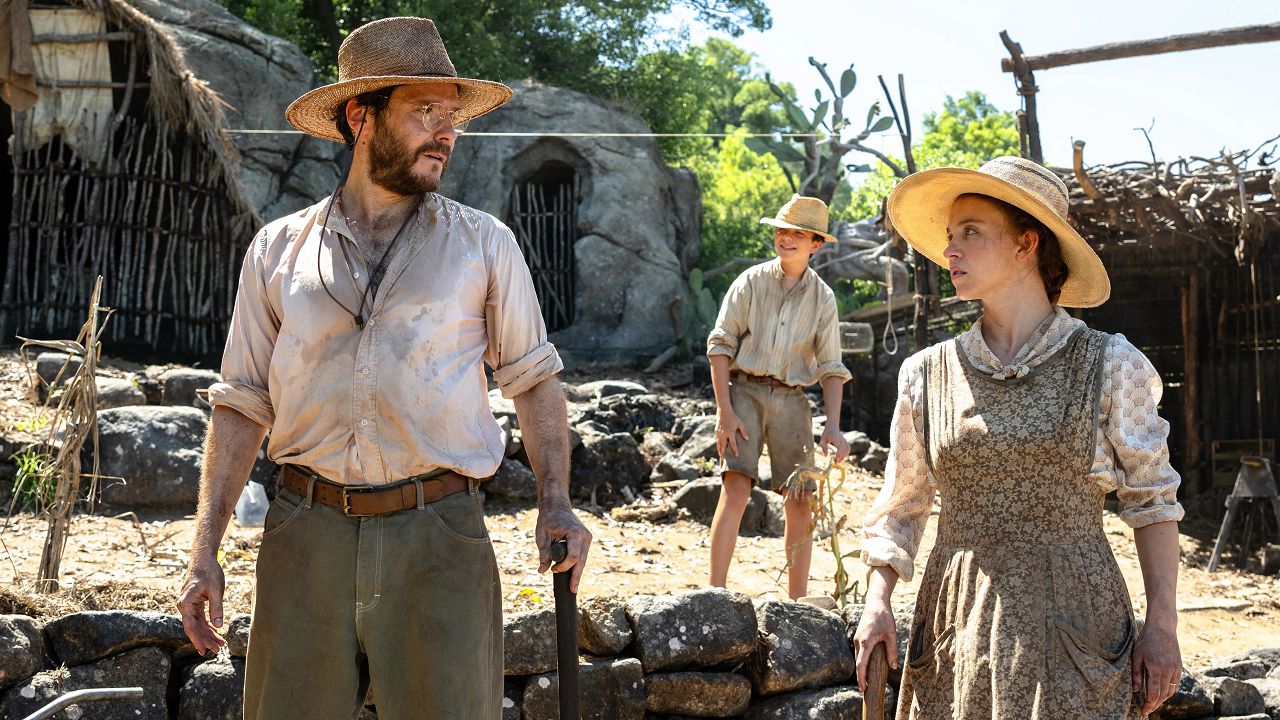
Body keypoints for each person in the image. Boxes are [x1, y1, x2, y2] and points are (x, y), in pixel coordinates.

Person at [175, 17, 592, 720]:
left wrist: (556, 501)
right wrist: (204, 551)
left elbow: (533, 381)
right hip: (305, 534)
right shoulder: (278, 250)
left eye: (452, 117)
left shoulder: (484, 244)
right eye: (425, 111)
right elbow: (242, 401)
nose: (446, 133)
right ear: (360, 117)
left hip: (440, 536)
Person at [853, 156, 1183, 719]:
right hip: (958, 619)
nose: (950, 250)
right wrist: (877, 600)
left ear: (1026, 244)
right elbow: (902, 505)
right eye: (949, 235)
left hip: (1077, 625)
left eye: (970, 233)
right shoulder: (927, 373)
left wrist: (1162, 626)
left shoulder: (1108, 363)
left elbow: (1153, 502)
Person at [706, 195, 852, 599]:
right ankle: (714, 593)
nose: (786, 238)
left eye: (798, 234)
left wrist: (833, 428)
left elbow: (831, 367)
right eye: (782, 231)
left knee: (800, 499)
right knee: (736, 486)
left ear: (815, 244)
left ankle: (797, 602)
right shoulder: (750, 282)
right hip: (744, 393)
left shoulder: (823, 298)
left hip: (792, 400)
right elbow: (720, 346)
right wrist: (725, 412)